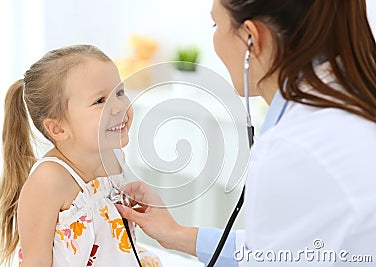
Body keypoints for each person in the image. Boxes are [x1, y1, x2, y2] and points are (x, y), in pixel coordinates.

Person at [116, 0, 376, 266]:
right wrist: (176, 234)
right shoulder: (345, 105)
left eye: (216, 24)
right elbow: (282, 250)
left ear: (251, 38)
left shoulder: (296, 147)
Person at [0, 44, 161, 267]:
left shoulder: (113, 156)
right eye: (100, 101)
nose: (120, 107)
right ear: (58, 129)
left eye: (120, 93)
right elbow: (36, 262)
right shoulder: (49, 181)